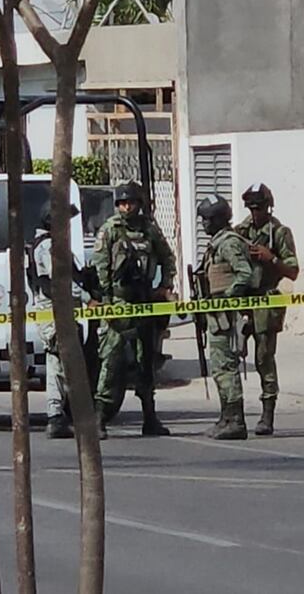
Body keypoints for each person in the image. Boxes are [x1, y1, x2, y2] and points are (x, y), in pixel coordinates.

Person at [90, 181, 176, 438]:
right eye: (123, 203)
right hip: (118, 304)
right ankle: (99, 418)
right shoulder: (110, 231)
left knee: (145, 361)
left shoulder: (149, 229)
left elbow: (167, 258)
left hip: (144, 303)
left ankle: (150, 416)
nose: (128, 207)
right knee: (112, 361)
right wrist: (105, 303)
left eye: (132, 202)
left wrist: (164, 285)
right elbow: (100, 268)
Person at [234, 183, 299, 436]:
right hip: (241, 301)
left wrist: (270, 258)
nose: (254, 213)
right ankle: (233, 414)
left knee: (263, 358)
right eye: (251, 208)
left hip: (265, 300)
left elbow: (292, 271)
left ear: (268, 207)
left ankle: (267, 413)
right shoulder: (240, 231)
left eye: (259, 208)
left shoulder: (279, 233)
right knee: (231, 355)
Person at [28, 202, 94, 439]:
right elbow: (60, 283)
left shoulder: (50, 245)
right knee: (60, 362)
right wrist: (87, 298)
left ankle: (59, 414)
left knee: (59, 363)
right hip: (54, 313)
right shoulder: (48, 246)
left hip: (60, 311)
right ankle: (58, 415)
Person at [196, 195, 255, 439]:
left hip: (226, 316)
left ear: (219, 219)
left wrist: (229, 297)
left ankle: (236, 421)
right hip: (215, 315)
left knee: (227, 368)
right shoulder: (216, 244)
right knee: (219, 368)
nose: (203, 224)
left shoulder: (229, 243)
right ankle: (225, 417)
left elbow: (244, 273)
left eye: (207, 219)